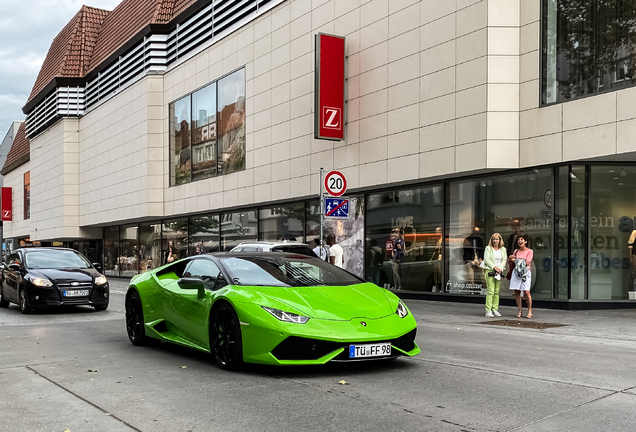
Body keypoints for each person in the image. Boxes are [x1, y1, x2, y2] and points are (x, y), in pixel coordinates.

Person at [509, 233, 533, 318]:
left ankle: (529, 311)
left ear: (525, 241)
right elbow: (511, 260)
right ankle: (519, 311)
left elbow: (527, 262)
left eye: (522, 239)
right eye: (519, 240)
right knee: (517, 291)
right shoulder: (516, 251)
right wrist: (511, 258)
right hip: (516, 272)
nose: (520, 241)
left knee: (526, 292)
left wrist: (515, 259)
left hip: (525, 273)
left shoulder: (530, 251)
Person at [483, 233, 507, 318]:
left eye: (497, 239)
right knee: (491, 291)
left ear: (500, 240)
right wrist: (494, 267)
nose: (495, 241)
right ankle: (488, 310)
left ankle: (495, 309)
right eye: (493, 239)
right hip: (490, 270)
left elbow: (504, 260)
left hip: (499, 272)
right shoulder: (488, 248)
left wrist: (500, 268)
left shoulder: (503, 249)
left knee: (497, 291)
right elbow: (486, 259)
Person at [429, 227, 443, 292]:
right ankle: (437, 287)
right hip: (436, 259)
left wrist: (440, 258)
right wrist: (431, 259)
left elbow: (441, 251)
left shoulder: (442, 240)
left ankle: (441, 288)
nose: (436, 233)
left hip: (439, 260)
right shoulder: (438, 240)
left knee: (440, 273)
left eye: (437, 231)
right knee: (436, 274)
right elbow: (435, 251)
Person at [628, 230, 636, 294]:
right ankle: (631, 293)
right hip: (635, 255)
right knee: (633, 274)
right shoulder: (635, 232)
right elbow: (630, 245)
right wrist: (631, 257)